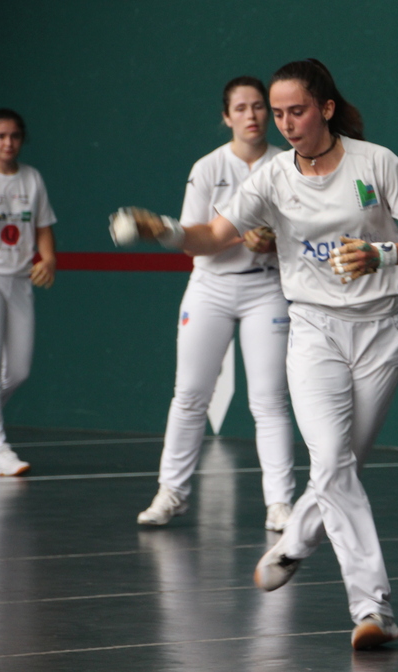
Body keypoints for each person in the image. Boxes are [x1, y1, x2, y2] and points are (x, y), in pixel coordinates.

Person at [115, 58, 398, 650]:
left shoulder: (376, 163)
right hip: (313, 328)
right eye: (279, 113)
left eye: (297, 111)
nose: (286, 124)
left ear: (326, 109)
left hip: (383, 330)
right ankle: (373, 608)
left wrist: (381, 254)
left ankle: (296, 540)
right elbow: (212, 237)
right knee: (332, 461)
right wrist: (161, 228)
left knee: (342, 466)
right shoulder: (270, 178)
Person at [136, 77, 297, 532]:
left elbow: (303, 233)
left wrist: (274, 241)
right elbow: (196, 240)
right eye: (240, 108)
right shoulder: (207, 168)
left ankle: (280, 503)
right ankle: (171, 493)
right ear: (227, 117)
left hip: (267, 287)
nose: (252, 115)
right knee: (190, 395)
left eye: (259, 106)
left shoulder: (287, 165)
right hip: (210, 288)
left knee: (269, 399)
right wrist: (170, 231)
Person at [0, 109, 57, 476]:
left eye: (15, 136)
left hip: (19, 280)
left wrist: (48, 259)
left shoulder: (32, 178)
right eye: (1, 136)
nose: (8, 143)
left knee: (17, 371)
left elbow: (43, 227)